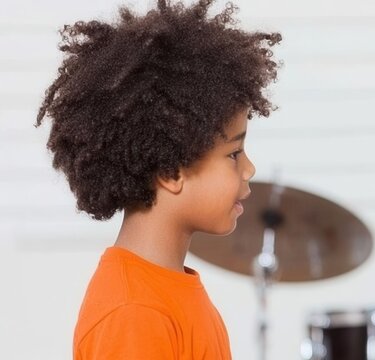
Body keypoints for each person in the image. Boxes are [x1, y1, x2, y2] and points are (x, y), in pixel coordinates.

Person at [35, 0, 280, 358]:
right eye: (233, 154)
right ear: (170, 171)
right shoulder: (134, 312)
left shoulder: (170, 288)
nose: (249, 169)